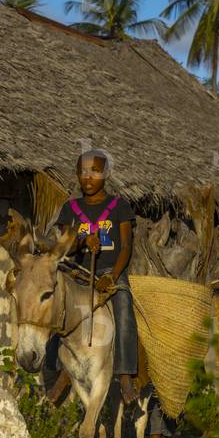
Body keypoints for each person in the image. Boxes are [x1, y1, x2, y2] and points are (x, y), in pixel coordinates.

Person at [45, 149, 139, 405]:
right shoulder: (71, 208)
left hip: (110, 270)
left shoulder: (119, 207)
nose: (88, 177)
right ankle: (52, 367)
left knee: (123, 307)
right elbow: (67, 246)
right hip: (78, 272)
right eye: (83, 172)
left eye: (95, 171)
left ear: (106, 174)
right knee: (54, 306)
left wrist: (114, 276)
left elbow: (126, 247)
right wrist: (82, 239)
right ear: (77, 174)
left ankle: (125, 372)